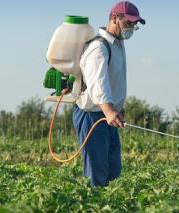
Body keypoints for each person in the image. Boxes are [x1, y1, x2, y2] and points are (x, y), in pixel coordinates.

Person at [72, 1, 146, 187]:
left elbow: (115, 80)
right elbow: (98, 83)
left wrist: (118, 108)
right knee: (97, 173)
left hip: (108, 114)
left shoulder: (117, 45)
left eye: (134, 25)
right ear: (115, 18)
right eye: (128, 23)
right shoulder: (99, 47)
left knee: (113, 170)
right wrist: (109, 110)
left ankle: (109, 204)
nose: (131, 27)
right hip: (93, 116)